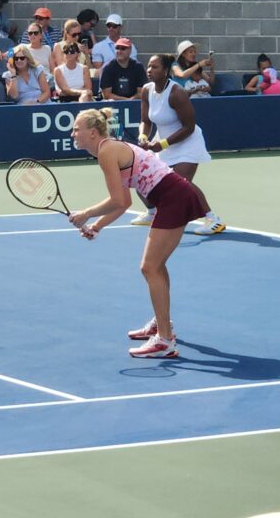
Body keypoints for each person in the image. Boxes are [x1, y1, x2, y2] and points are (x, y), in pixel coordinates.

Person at [68, 108, 210, 359]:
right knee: (156, 266)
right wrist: (97, 226)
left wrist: (86, 214)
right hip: (170, 197)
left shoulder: (106, 151)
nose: (73, 134)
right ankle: (161, 323)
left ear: (92, 132)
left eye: (76, 129)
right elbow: (123, 203)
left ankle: (165, 340)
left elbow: (117, 199)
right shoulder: (108, 149)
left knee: (150, 267)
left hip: (173, 197)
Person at [134, 53, 226, 235]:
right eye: (149, 66)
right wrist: (143, 136)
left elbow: (189, 127)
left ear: (166, 71)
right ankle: (152, 212)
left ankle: (213, 219)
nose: (149, 70)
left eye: (155, 67)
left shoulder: (177, 93)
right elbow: (145, 120)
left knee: (180, 182)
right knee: (140, 176)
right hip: (164, 143)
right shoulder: (146, 90)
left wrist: (163, 144)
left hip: (187, 143)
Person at [20, 19, 55, 84]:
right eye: (30, 33)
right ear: (28, 36)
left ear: (41, 35)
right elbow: (9, 53)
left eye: (35, 33)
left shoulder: (47, 48)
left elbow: (53, 69)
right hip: (32, 81)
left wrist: (52, 78)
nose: (32, 35)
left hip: (48, 80)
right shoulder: (23, 47)